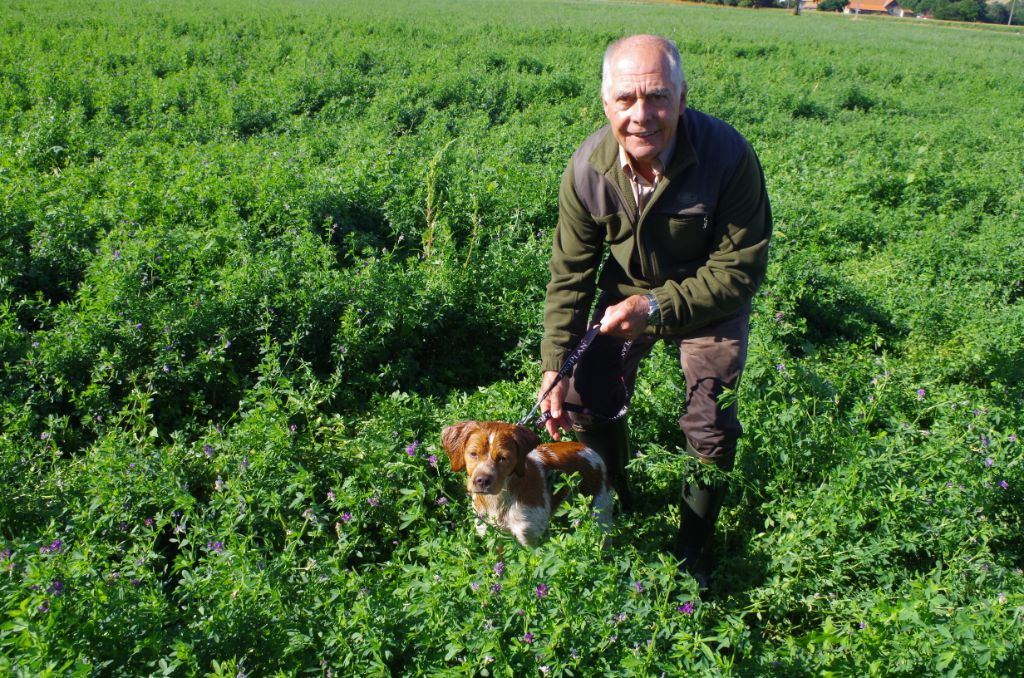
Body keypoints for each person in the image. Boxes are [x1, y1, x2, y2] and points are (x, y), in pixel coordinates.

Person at [537, 34, 772, 584]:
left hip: (709, 297)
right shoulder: (588, 170)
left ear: (683, 98)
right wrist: (555, 364)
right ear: (605, 103)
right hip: (626, 296)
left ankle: (692, 551)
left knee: (710, 421)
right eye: (626, 100)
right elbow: (571, 276)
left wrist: (657, 305)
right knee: (581, 395)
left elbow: (740, 270)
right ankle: (613, 497)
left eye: (658, 97)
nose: (642, 115)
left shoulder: (728, 156)